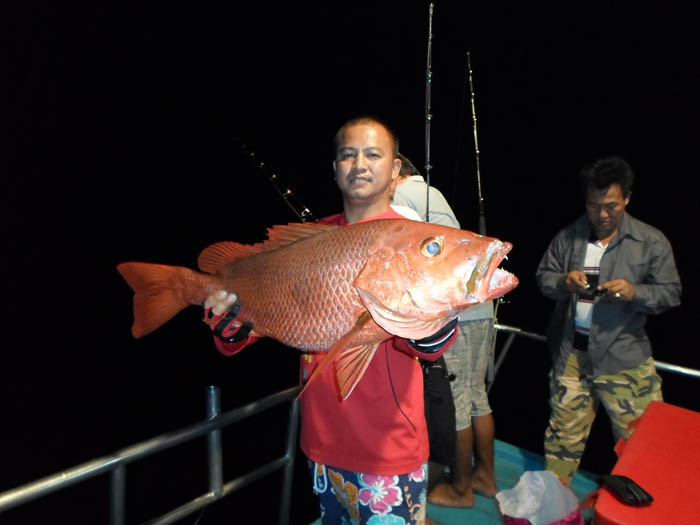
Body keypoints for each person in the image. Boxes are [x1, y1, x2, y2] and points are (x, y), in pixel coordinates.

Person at [203, 116, 458, 524]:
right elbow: (255, 328)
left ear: (395, 171)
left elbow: (432, 341)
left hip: (387, 451)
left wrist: (435, 332)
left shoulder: (416, 238)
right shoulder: (314, 236)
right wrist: (229, 327)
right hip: (319, 444)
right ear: (335, 168)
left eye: (373, 154)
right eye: (348, 154)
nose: (359, 163)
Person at [536, 156, 681, 485]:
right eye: (593, 205)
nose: (602, 215)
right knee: (561, 446)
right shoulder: (568, 236)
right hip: (572, 356)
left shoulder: (650, 241)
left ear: (627, 197)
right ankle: (556, 511)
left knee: (643, 448)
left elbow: (671, 293)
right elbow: (544, 278)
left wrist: (635, 293)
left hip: (625, 361)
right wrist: (563, 283)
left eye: (611, 206)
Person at [393, 153, 499, 507]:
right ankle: (485, 477)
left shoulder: (404, 195)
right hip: (481, 306)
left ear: (398, 171)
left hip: (458, 312)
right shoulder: (431, 193)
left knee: (457, 403)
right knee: (476, 395)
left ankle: (460, 488)